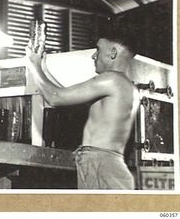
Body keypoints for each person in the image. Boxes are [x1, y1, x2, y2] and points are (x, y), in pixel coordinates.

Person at [26, 29, 140, 190]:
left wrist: (33, 65)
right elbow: (64, 96)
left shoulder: (111, 79)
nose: (94, 56)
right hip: (105, 164)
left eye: (98, 49)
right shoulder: (123, 85)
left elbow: (54, 97)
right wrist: (42, 69)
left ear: (113, 52)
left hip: (101, 165)